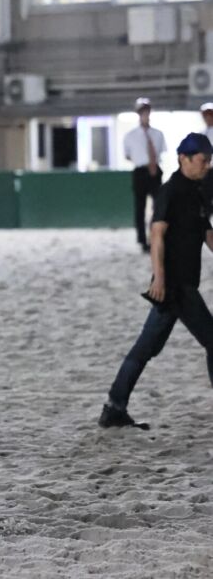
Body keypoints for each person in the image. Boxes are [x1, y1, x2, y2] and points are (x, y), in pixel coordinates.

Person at [99, 133, 213, 428]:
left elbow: (206, 232)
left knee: (145, 348)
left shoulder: (199, 192)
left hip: (182, 284)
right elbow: (157, 234)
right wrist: (159, 280)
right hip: (175, 284)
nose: (207, 165)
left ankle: (114, 407)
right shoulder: (170, 191)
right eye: (203, 160)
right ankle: (114, 406)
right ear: (184, 159)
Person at [123, 97, 166, 253]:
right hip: (140, 171)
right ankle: (142, 240)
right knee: (140, 207)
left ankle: (155, 236)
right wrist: (143, 161)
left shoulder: (158, 134)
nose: (145, 114)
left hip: (155, 171)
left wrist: (152, 164)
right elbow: (128, 155)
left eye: (147, 110)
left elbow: (161, 151)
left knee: (159, 206)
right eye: (142, 111)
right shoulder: (130, 136)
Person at [200, 102, 213, 209]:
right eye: (206, 115)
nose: (208, 118)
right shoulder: (201, 133)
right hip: (205, 171)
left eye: (210, 115)